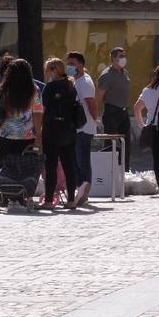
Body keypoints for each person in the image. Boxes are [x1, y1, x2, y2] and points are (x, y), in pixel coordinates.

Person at [40, 59, 82, 211]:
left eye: (47, 70)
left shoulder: (49, 87)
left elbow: (43, 109)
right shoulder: (71, 85)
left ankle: (49, 200)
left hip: (52, 130)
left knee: (50, 167)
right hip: (69, 130)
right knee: (69, 166)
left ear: (53, 70)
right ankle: (71, 200)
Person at [0, 58, 43, 159]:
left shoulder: (4, 88)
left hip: (5, 134)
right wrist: (39, 135)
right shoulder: (33, 89)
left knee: (6, 168)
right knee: (26, 167)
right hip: (27, 136)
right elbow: (37, 113)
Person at [135, 63, 159, 191]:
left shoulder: (148, 90)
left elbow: (137, 108)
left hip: (153, 127)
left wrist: (142, 125)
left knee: (157, 158)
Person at [66, 51, 97, 206]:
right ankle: (81, 189)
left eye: (72, 64)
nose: (69, 67)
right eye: (68, 64)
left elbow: (91, 103)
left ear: (81, 64)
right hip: (77, 128)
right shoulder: (75, 80)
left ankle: (85, 189)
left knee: (82, 159)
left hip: (84, 127)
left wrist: (95, 121)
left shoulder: (84, 81)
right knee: (75, 161)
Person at [96, 47, 131, 148]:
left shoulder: (124, 72)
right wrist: (95, 115)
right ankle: (112, 163)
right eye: (121, 56)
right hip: (112, 113)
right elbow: (98, 97)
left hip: (124, 112)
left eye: (124, 56)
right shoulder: (106, 75)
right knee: (111, 144)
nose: (124, 58)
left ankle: (125, 164)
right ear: (113, 58)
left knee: (126, 143)